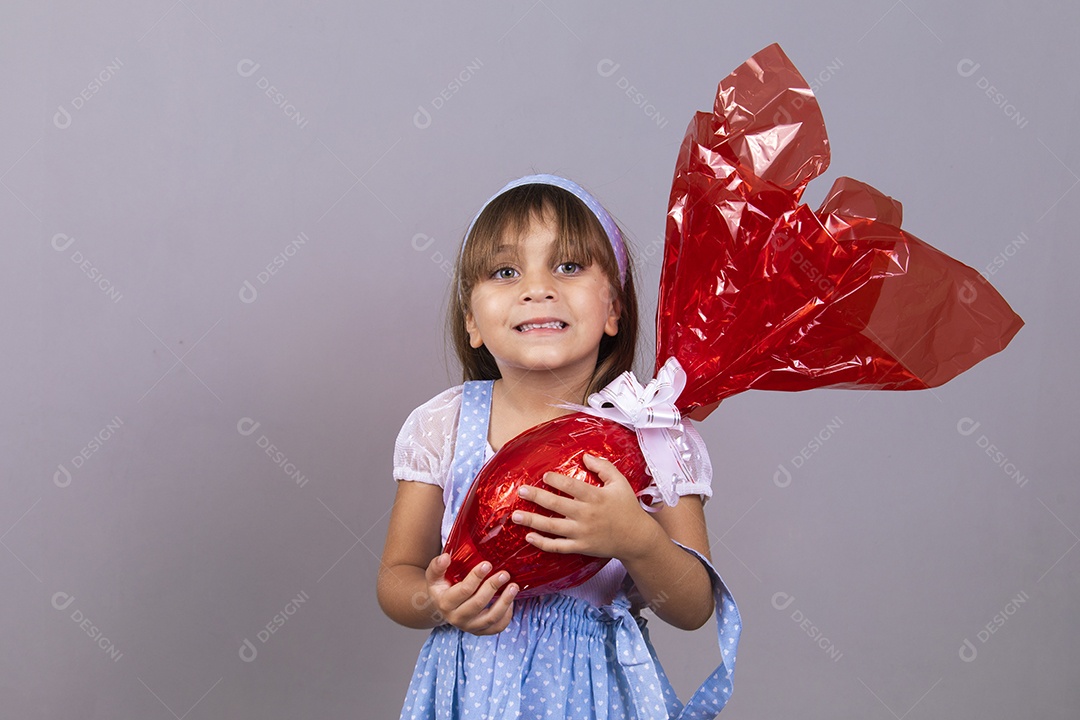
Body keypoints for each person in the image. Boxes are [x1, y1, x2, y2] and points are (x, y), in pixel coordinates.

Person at [377, 174, 740, 719]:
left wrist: (636, 538)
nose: (538, 288)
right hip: (473, 692)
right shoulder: (445, 425)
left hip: (595, 696)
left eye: (568, 266)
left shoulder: (652, 436)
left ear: (614, 308)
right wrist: (437, 602)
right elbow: (397, 575)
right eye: (505, 272)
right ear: (472, 321)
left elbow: (691, 608)